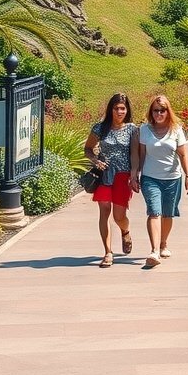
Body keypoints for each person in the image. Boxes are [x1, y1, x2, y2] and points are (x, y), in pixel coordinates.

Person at [129, 95, 188, 268]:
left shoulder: (176, 130)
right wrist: (135, 174)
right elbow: (141, 155)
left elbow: (183, 154)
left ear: (167, 111)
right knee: (154, 211)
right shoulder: (145, 130)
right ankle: (154, 251)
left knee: (168, 213)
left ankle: (164, 244)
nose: (159, 114)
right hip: (150, 178)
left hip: (173, 178)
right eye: (156, 110)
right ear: (151, 112)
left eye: (162, 110)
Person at [83, 93, 138, 268]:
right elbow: (88, 149)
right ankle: (107, 252)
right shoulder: (100, 128)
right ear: (111, 109)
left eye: (123, 108)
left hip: (123, 175)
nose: (120, 111)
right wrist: (95, 160)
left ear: (127, 110)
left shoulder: (132, 129)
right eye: (116, 108)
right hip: (105, 174)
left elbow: (135, 154)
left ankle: (125, 230)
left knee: (119, 216)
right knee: (104, 212)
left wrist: (135, 173)